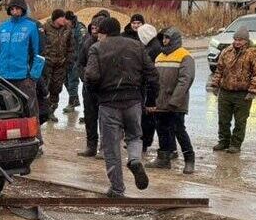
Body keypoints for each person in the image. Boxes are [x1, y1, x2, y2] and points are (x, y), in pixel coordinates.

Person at [84, 17, 157, 197]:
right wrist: (150, 101)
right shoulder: (137, 46)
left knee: (111, 147)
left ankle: (117, 188)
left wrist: (96, 95)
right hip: (133, 101)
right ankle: (134, 160)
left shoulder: (97, 48)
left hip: (109, 103)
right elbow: (153, 75)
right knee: (134, 136)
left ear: (104, 33)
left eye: (99, 33)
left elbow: (91, 76)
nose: (98, 36)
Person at [207, 25, 256, 154]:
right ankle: (223, 141)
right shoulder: (227, 52)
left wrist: (252, 91)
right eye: (236, 39)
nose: (237, 42)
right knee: (223, 120)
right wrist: (215, 85)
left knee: (240, 121)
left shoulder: (253, 53)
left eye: (241, 39)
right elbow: (219, 69)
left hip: (243, 94)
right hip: (225, 92)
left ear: (246, 40)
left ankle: (236, 144)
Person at [148, 28, 196, 173]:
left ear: (174, 39)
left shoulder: (185, 56)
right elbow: (155, 79)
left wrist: (174, 101)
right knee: (162, 130)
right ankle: (163, 158)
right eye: (163, 38)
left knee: (179, 130)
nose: (164, 41)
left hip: (176, 104)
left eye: (167, 38)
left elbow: (185, 81)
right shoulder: (159, 57)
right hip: (160, 102)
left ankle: (189, 159)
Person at [0, 0, 43, 120]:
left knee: (30, 112)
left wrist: (33, 77)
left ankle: (36, 137)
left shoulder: (31, 27)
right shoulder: (2, 27)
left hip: (23, 78)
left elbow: (39, 54)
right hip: (4, 77)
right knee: (5, 112)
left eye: (18, 9)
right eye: (12, 9)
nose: (15, 11)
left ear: (23, 10)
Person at [76, 10, 110, 157]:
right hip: (89, 86)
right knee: (90, 117)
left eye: (98, 28)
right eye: (93, 27)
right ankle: (91, 146)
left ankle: (105, 148)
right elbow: (80, 63)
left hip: (105, 87)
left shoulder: (110, 44)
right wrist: (86, 78)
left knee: (106, 118)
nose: (95, 30)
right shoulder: (87, 42)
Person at [41, 10, 73, 122]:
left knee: (56, 87)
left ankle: (51, 111)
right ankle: (42, 111)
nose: (64, 19)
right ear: (56, 18)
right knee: (45, 87)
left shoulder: (67, 29)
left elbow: (70, 46)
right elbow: (40, 44)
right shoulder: (45, 28)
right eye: (62, 17)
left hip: (60, 64)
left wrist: (68, 60)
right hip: (47, 63)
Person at [137, 23, 161, 155]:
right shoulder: (154, 46)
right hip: (152, 88)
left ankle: (144, 142)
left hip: (151, 89)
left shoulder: (152, 50)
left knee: (148, 118)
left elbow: (150, 74)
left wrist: (150, 98)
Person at [62, 11, 85, 112]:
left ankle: (72, 103)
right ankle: (74, 100)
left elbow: (82, 45)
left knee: (73, 82)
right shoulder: (65, 28)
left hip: (76, 60)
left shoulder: (80, 29)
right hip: (66, 59)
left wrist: (78, 59)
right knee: (66, 81)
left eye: (66, 20)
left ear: (70, 20)